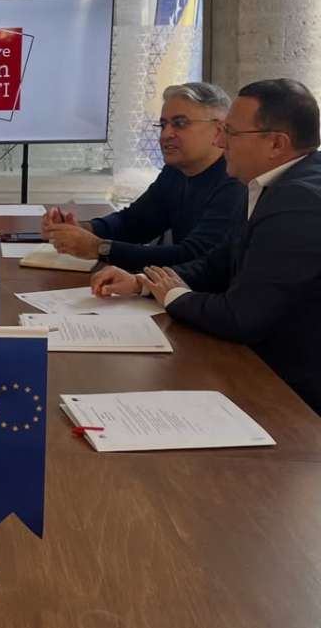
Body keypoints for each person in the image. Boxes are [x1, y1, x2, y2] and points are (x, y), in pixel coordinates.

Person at [93, 78, 321, 414]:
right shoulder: (265, 184)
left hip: (294, 397)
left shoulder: (300, 200)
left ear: (276, 143)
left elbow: (241, 316)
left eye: (230, 132)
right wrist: (143, 282)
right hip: (258, 369)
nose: (219, 141)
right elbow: (216, 264)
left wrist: (173, 295)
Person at [42, 82, 243, 269]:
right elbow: (134, 223)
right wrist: (83, 229)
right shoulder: (176, 171)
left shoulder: (236, 181)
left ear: (219, 130)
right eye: (163, 125)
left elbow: (194, 257)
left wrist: (99, 248)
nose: (166, 134)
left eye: (180, 123)